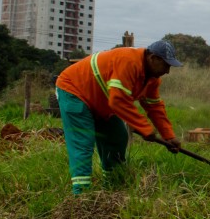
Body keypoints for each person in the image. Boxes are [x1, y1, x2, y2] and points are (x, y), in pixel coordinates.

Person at [55, 39, 183, 194]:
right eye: (166, 65)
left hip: (101, 99)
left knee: (117, 138)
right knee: (83, 142)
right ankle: (82, 196)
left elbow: (155, 107)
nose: (168, 71)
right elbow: (118, 101)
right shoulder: (129, 62)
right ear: (153, 58)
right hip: (75, 91)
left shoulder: (152, 79)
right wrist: (145, 128)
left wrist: (169, 136)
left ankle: (112, 187)